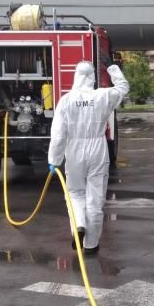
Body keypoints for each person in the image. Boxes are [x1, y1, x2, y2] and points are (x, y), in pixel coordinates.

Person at [48, 61, 129, 255]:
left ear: (76, 76)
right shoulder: (102, 95)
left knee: (75, 193)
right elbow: (123, 88)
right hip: (97, 148)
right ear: (92, 77)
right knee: (95, 199)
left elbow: (58, 134)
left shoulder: (66, 100)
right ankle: (91, 244)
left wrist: (54, 159)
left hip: (74, 149)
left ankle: (78, 225)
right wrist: (113, 69)